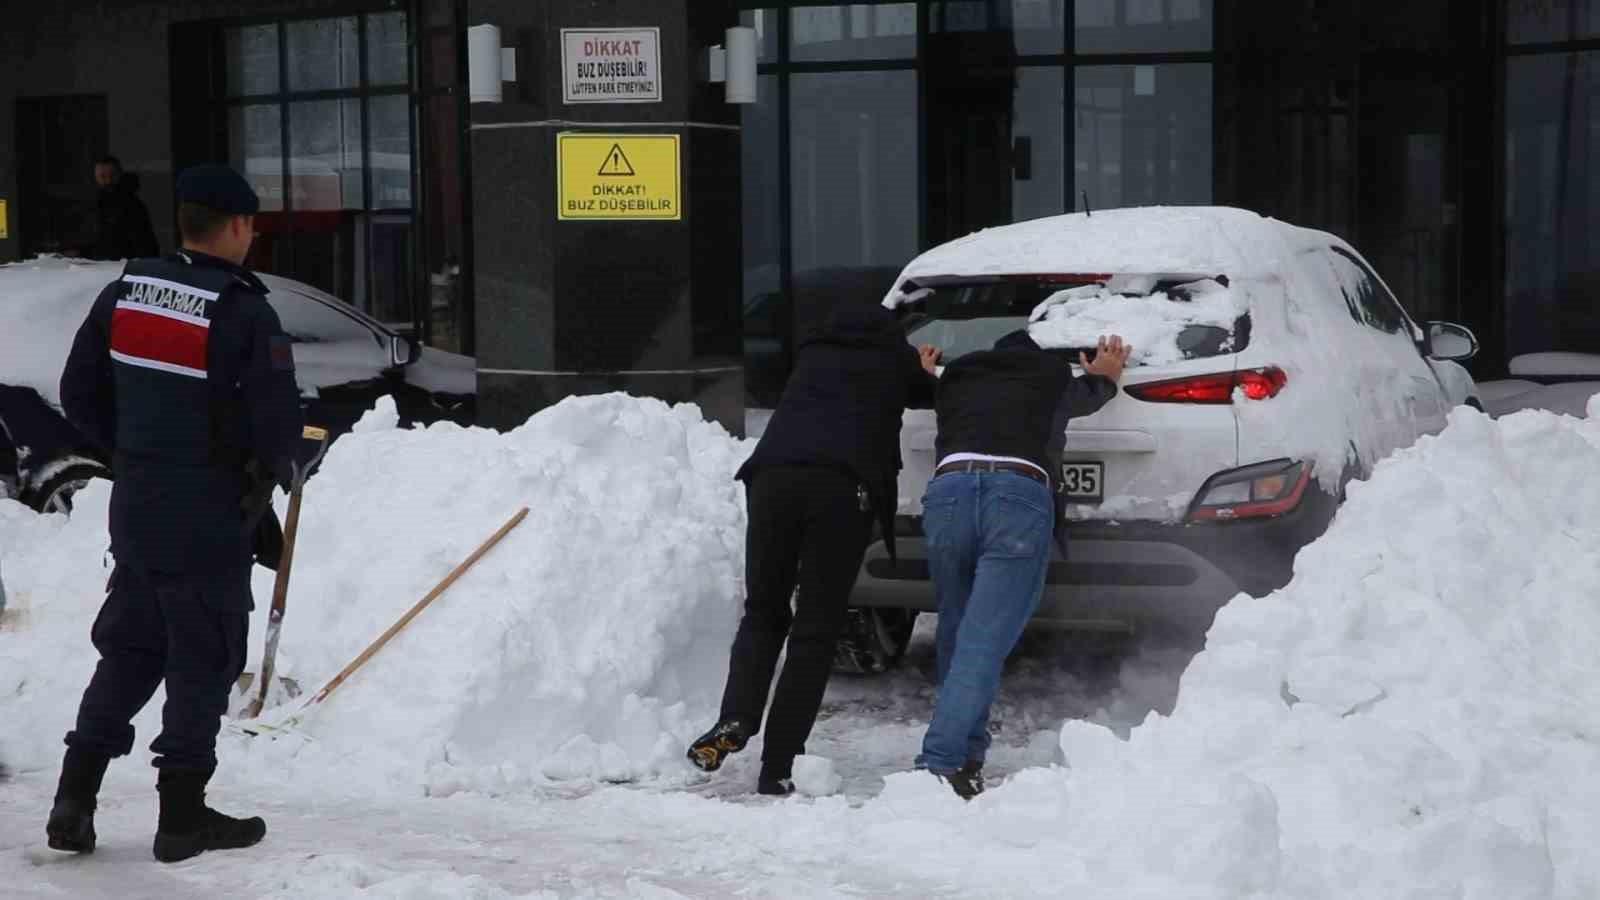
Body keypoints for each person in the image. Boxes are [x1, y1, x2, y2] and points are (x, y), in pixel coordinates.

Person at [48, 163, 302, 862]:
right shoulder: (244, 311)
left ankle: (74, 797)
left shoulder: (125, 293)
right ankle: (182, 819)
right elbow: (277, 430)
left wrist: (133, 455)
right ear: (239, 226)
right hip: (208, 524)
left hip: (137, 517)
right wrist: (263, 491)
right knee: (203, 661)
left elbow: (79, 392)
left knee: (130, 652)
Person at [687, 300, 940, 795]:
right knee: (816, 628)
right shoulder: (894, 357)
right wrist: (921, 367)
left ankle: (736, 718)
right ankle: (778, 763)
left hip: (770, 479)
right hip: (839, 490)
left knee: (763, 611)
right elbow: (926, 393)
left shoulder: (813, 354)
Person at [915, 329, 1131, 799]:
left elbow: (928, 390)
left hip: (949, 492)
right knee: (984, 640)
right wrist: (1105, 376)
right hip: (1015, 498)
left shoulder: (960, 378)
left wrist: (928, 371)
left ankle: (967, 759)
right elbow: (1089, 394)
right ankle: (937, 765)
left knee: (958, 631)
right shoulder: (1048, 373)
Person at [85, 156, 160, 261]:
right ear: (95, 177)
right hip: (98, 264)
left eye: (112, 175)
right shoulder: (91, 204)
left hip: (126, 264)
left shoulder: (134, 205)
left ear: (119, 175)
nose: (108, 180)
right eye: (102, 176)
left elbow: (146, 242)